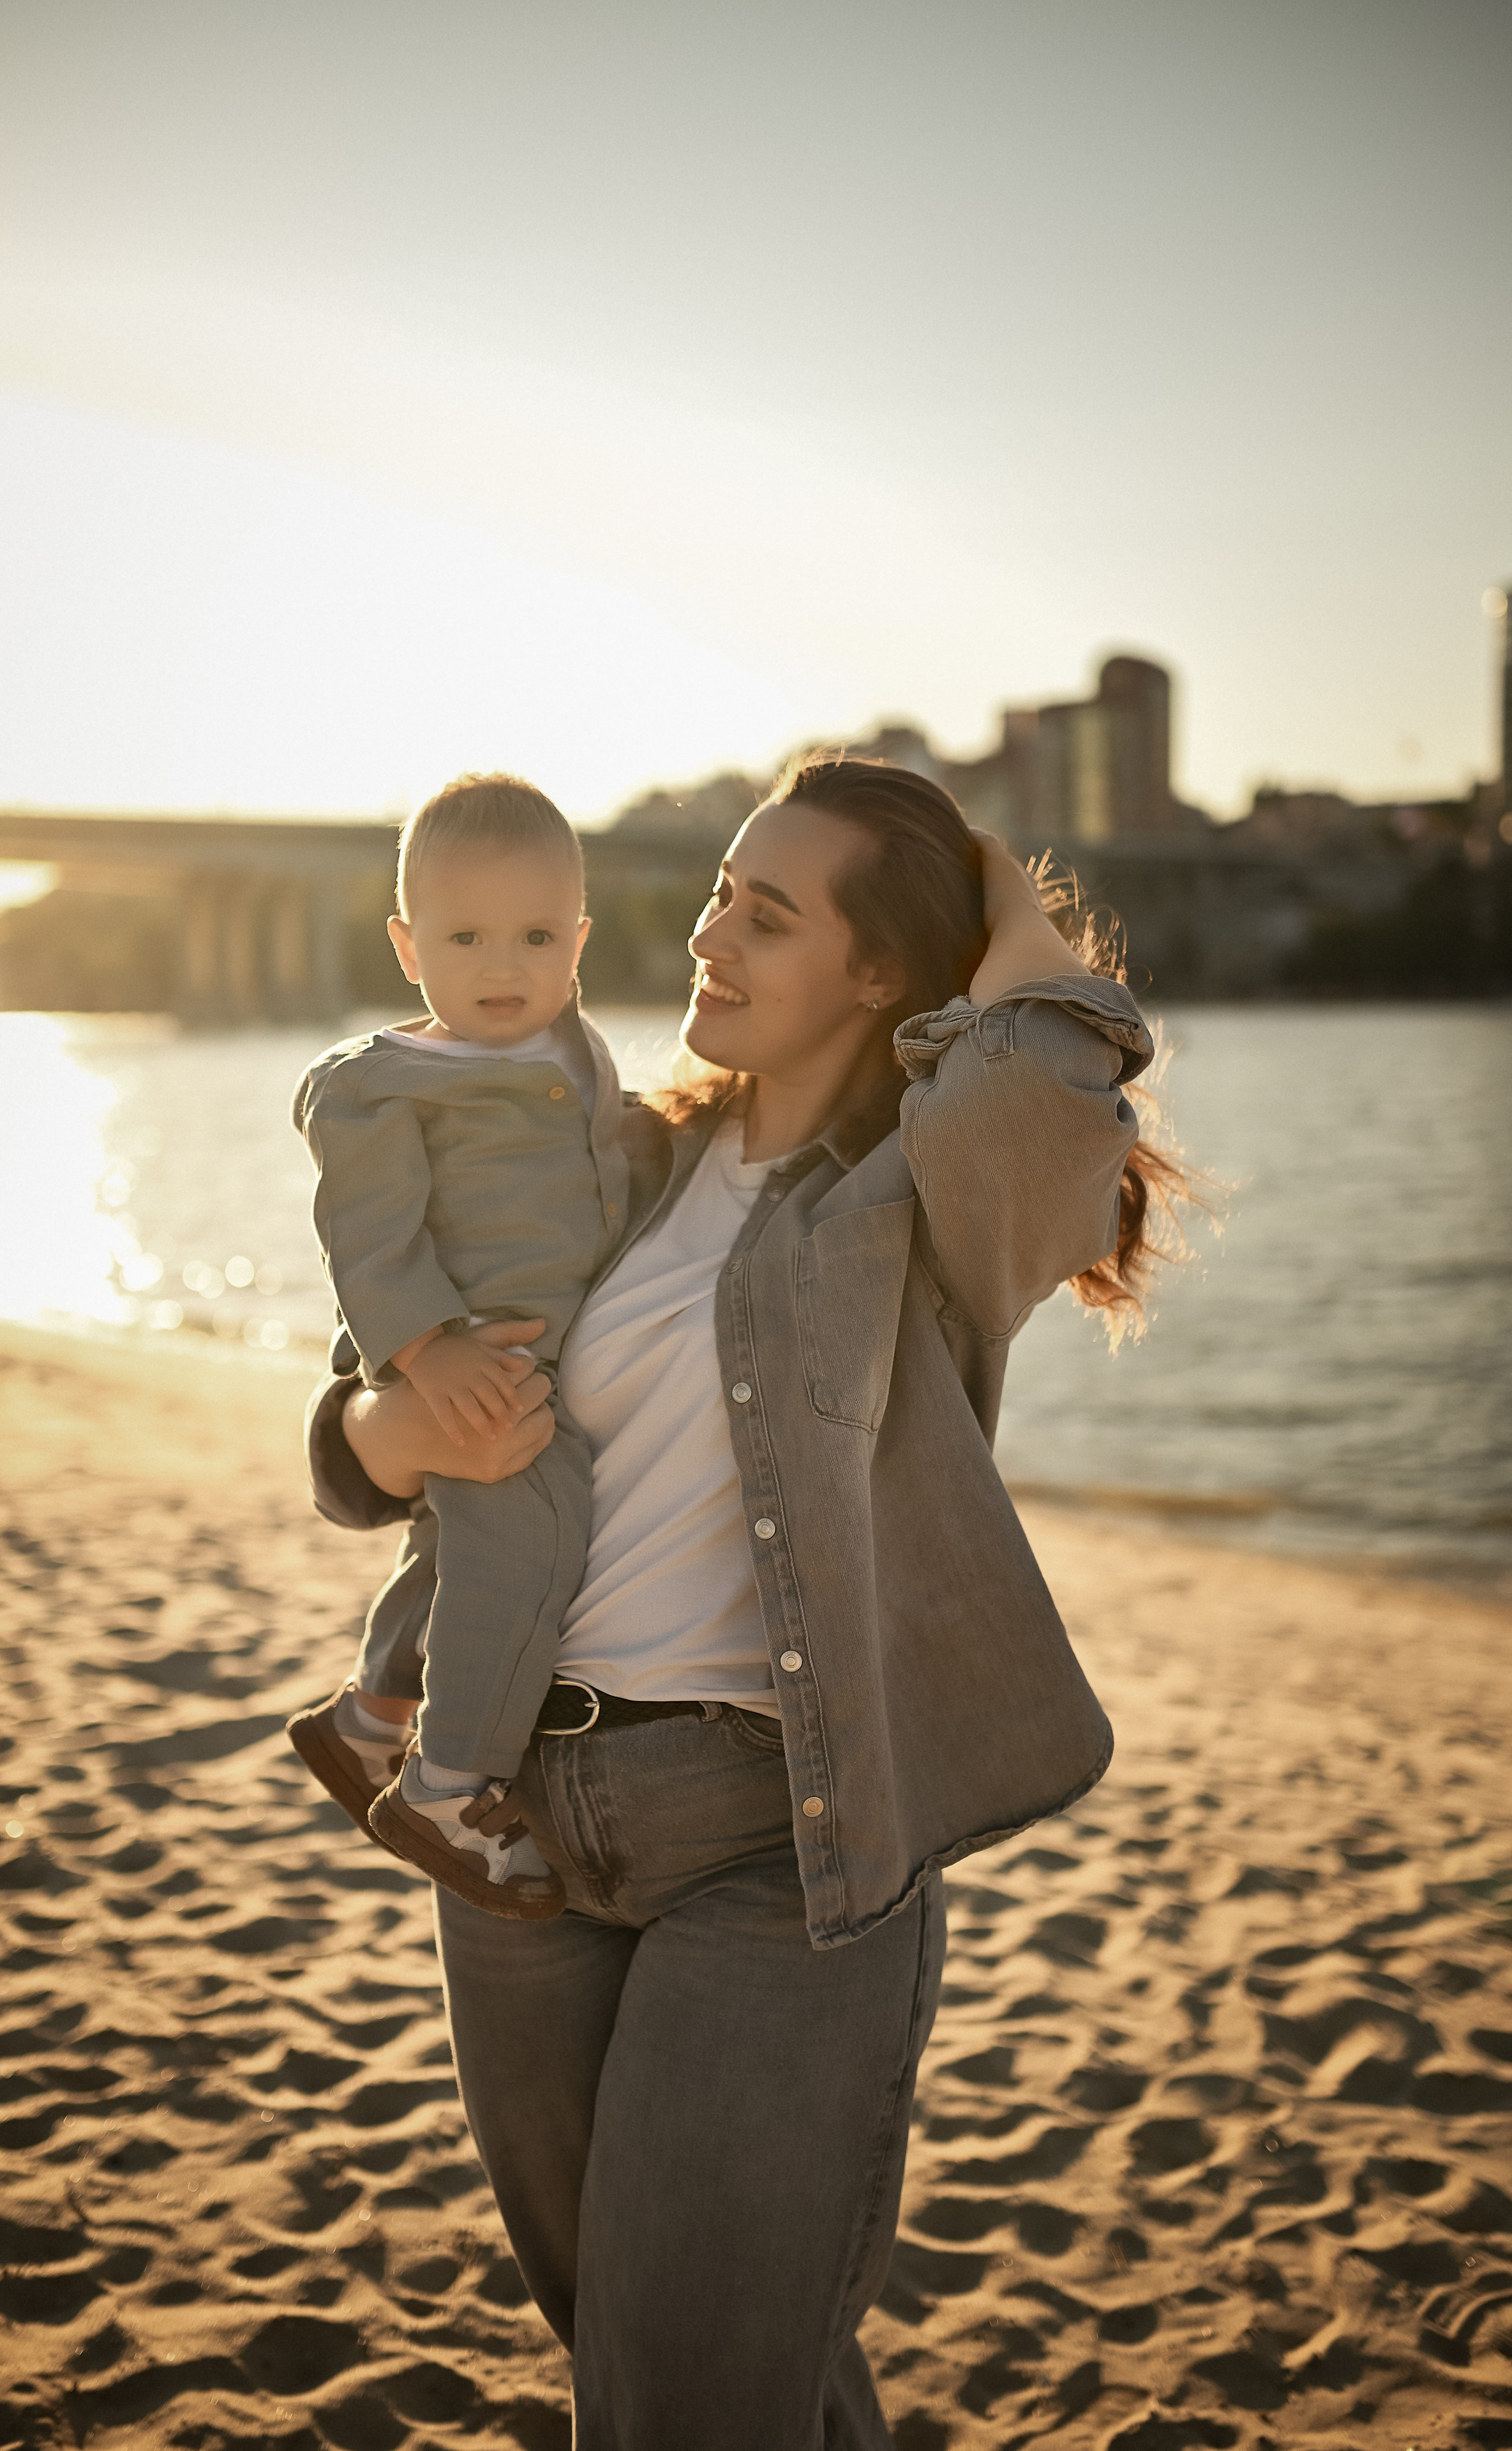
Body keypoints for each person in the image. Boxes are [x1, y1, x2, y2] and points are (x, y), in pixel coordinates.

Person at [303, 754, 1179, 2447]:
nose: (706, 934)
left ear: (879, 975)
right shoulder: (613, 1152)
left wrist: (1001, 896)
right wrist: (386, 1422)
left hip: (779, 1841)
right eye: (718, 890)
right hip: (515, 1831)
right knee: (645, 2362)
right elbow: (361, 1434)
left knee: (690, 2385)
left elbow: (1041, 1098)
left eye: (766, 916)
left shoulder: (914, 1210)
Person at [287, 774, 629, 1916]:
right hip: (464, 1360)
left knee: (454, 1552)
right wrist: (426, 1356)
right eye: (465, 936)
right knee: (522, 1547)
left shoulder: (576, 1048)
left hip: (531, 1370)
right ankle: (448, 1781)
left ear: (580, 940)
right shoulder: (381, 1087)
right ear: (406, 945)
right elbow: (368, 1242)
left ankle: (370, 1714)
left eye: (537, 935)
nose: (503, 965)